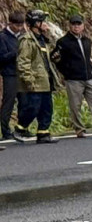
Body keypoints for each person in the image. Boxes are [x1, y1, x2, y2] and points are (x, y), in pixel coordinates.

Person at [54, 13, 92, 137]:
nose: (76, 26)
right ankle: (79, 130)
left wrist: (90, 67)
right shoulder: (63, 42)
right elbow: (55, 58)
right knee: (75, 106)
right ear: (69, 26)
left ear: (83, 25)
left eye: (78, 24)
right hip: (73, 79)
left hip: (88, 77)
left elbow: (87, 57)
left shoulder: (87, 41)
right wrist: (67, 72)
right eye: (73, 24)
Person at [15, 11, 57, 142]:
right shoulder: (27, 40)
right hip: (35, 82)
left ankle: (43, 133)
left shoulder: (43, 39)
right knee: (33, 108)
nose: (46, 25)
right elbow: (23, 62)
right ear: (36, 23)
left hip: (45, 81)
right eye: (43, 22)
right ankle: (20, 129)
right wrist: (29, 81)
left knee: (47, 108)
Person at [0, 9, 21, 144]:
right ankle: (5, 130)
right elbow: (2, 58)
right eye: (17, 25)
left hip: (22, 73)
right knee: (9, 102)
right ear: (10, 24)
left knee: (25, 101)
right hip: (9, 73)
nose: (20, 28)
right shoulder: (3, 37)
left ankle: (21, 128)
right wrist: (15, 53)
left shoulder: (22, 37)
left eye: (21, 25)